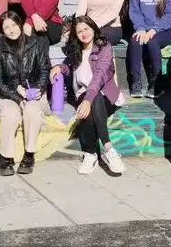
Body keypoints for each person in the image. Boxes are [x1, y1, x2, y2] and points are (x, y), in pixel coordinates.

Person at [51, 15, 126, 175]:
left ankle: (97, 151)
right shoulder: (76, 50)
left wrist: (87, 101)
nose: (84, 33)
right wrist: (59, 67)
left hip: (106, 96)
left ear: (93, 28)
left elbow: (99, 77)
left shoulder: (104, 47)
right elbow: (67, 65)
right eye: (79, 31)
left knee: (93, 101)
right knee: (89, 106)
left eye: (86, 29)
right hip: (82, 95)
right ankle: (100, 153)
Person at [0, 11, 51, 176]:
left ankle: (29, 155)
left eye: (14, 25)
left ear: (20, 24)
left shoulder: (35, 44)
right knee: (10, 112)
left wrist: (37, 89)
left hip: (33, 92)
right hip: (8, 94)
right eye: (6, 27)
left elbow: (45, 69)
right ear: (2, 31)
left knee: (32, 110)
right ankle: (5, 157)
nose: (11, 30)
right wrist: (17, 96)